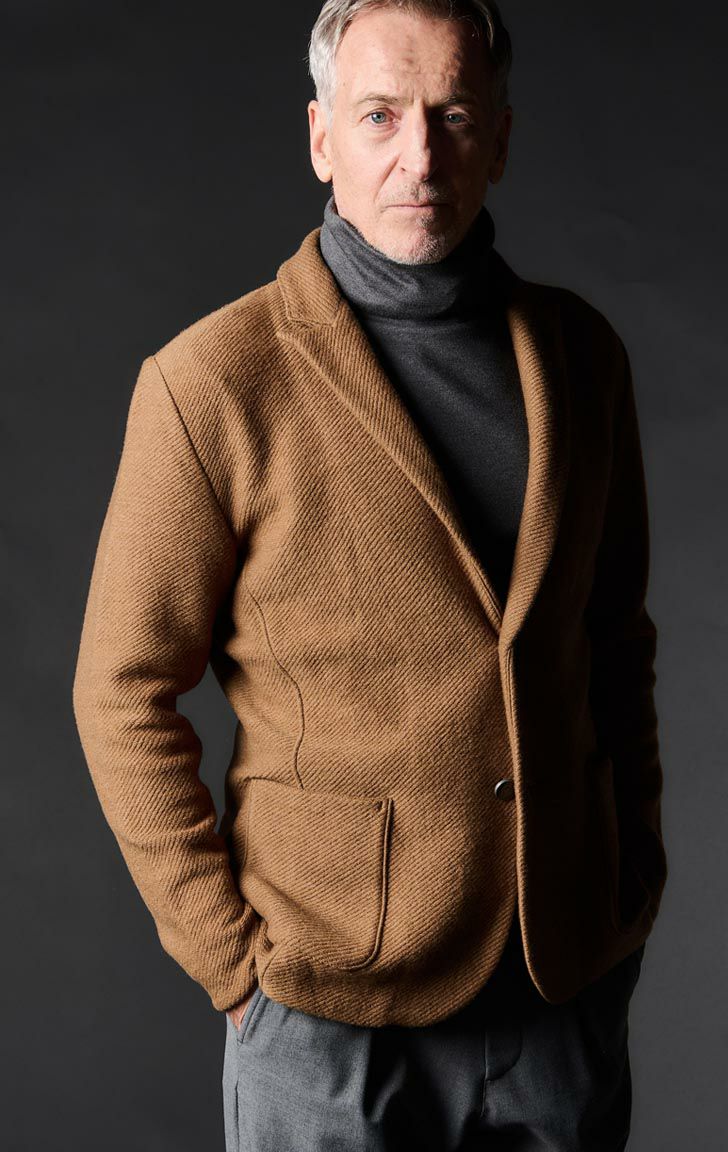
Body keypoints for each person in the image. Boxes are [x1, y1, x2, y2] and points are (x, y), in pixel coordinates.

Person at [72, 1, 669, 1148]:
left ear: (501, 137)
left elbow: (615, 642)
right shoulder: (214, 382)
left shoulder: (583, 357)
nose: (421, 156)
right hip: (326, 1017)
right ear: (321, 138)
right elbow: (120, 690)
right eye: (382, 115)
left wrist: (629, 884)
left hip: (561, 997)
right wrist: (230, 963)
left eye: (454, 116)